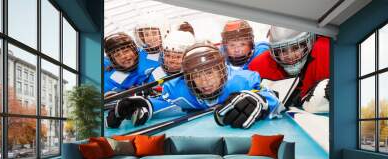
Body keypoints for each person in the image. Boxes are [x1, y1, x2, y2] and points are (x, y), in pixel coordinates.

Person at [106, 43, 281, 129]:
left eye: (210, 73)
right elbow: (167, 103)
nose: (205, 82)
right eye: (197, 75)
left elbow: (273, 97)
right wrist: (145, 104)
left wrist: (261, 101)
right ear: (188, 78)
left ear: (223, 72)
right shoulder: (178, 89)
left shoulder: (244, 81)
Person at [248, 26, 330, 113]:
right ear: (273, 51)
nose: (290, 56)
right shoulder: (260, 65)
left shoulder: (326, 51)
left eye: (296, 48)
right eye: (282, 50)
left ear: (309, 42)